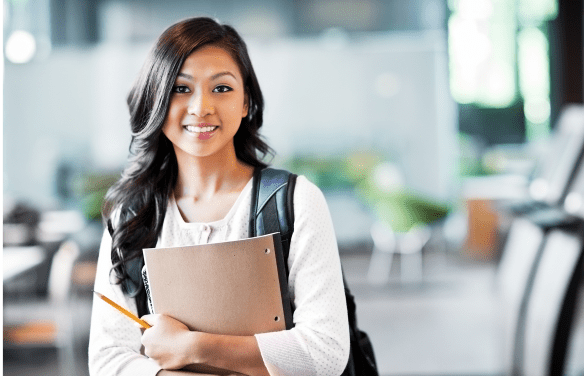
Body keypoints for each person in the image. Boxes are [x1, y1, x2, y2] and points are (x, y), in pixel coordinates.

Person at [88, 17, 349, 376]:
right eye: (181, 89)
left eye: (221, 88)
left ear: (246, 103)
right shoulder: (132, 215)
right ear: (157, 100)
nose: (201, 107)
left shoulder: (296, 201)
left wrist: (192, 347)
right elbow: (107, 359)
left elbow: (325, 351)